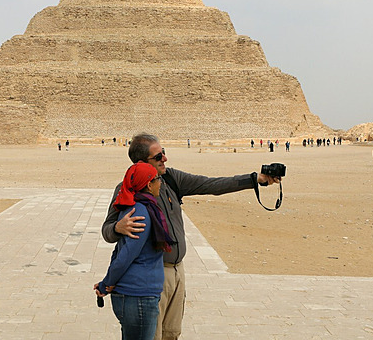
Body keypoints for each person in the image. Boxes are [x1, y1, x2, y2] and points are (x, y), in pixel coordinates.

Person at [102, 133, 279, 340]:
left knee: (171, 334)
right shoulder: (127, 189)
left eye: (164, 153)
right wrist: (117, 228)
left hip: (178, 272)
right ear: (142, 163)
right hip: (154, 275)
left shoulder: (171, 179)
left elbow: (210, 185)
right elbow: (107, 231)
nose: (165, 159)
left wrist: (255, 179)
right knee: (153, 335)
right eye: (158, 157)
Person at [95, 162, 172, 339]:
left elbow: (120, 250)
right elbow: (125, 255)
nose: (160, 182)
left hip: (136, 294)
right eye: (157, 179)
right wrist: (106, 283)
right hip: (137, 298)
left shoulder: (136, 207)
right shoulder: (141, 212)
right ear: (148, 184)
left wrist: (107, 282)